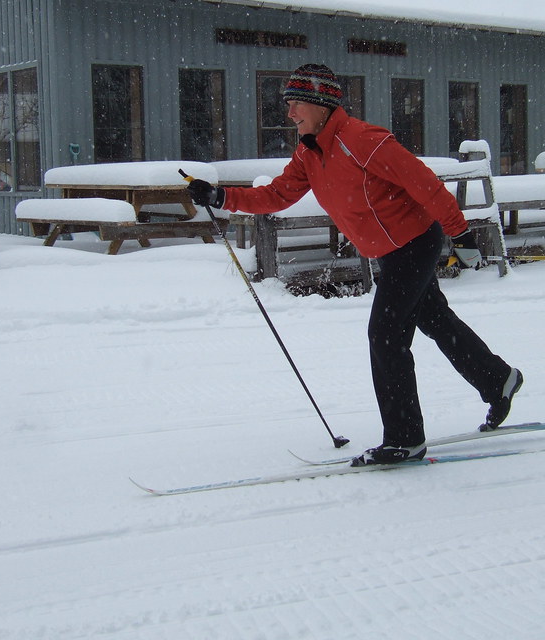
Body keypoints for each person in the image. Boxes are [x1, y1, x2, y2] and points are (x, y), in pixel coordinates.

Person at [187, 63, 522, 466]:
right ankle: (498, 379)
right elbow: (276, 195)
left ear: (320, 104)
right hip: (389, 251)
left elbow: (424, 183)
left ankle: (405, 438)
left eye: (296, 104)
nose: (290, 113)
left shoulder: (364, 141)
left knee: (386, 335)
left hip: (414, 244)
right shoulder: (310, 152)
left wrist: (462, 233)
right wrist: (222, 197)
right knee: (436, 321)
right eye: (289, 105)